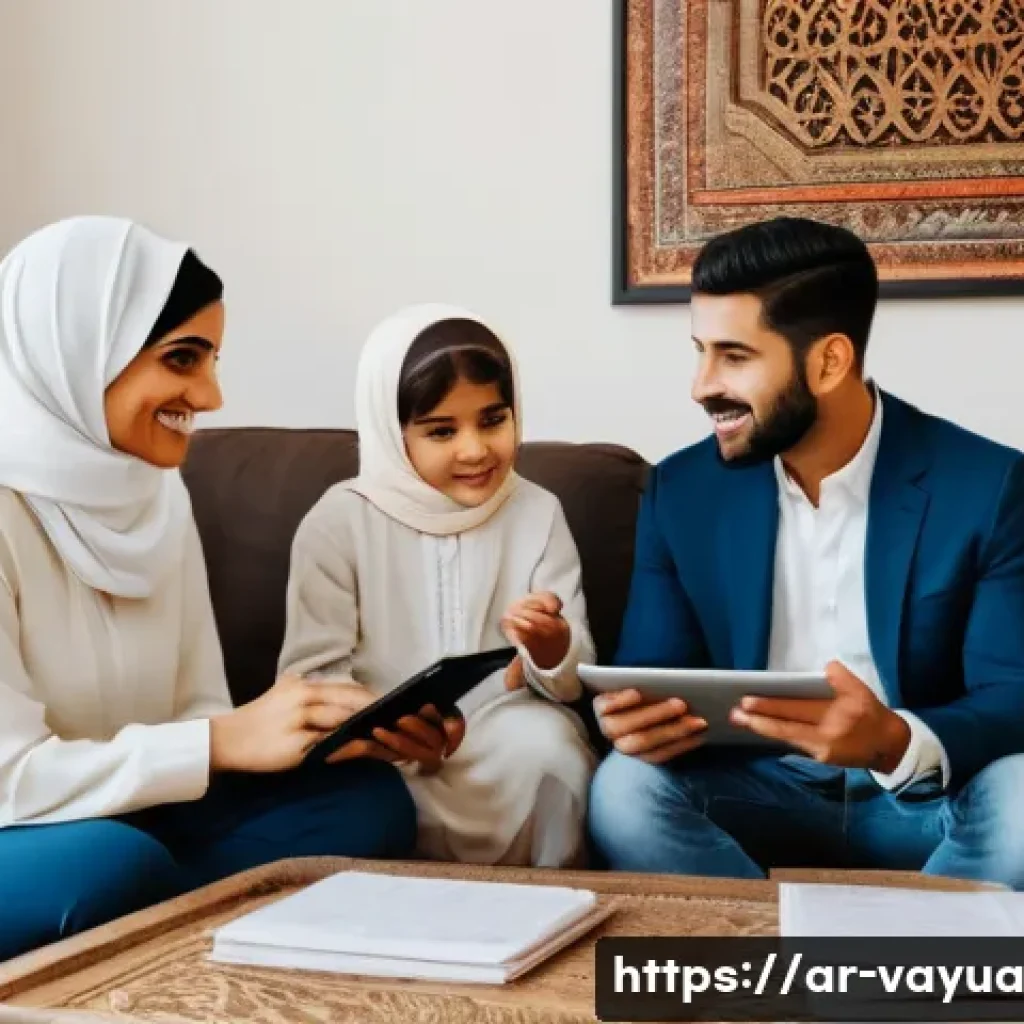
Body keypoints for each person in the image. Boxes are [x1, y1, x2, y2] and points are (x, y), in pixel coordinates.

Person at [0, 217, 447, 963]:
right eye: (182, 359)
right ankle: (173, 915)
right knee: (110, 866)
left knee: (364, 802)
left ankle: (151, 927)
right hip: (27, 832)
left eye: (211, 359)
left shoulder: (154, 493)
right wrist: (219, 741)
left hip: (131, 817)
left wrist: (315, 739)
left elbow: (195, 717)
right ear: (78, 351)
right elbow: (10, 779)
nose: (209, 395)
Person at [587, 216, 1024, 887]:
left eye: (734, 356)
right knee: (624, 789)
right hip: (757, 789)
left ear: (828, 362)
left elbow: (1011, 695)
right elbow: (655, 669)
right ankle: (773, 970)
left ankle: (907, 967)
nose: (701, 385)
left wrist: (891, 739)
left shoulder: (988, 485)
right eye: (700, 350)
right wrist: (640, 722)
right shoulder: (681, 491)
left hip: (925, 796)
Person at [278, 304, 597, 867]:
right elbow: (311, 679)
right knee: (359, 795)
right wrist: (383, 729)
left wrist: (551, 649)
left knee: (550, 749)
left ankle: (553, 912)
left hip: (506, 733)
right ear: (392, 432)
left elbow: (573, 681)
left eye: (493, 421)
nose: (474, 450)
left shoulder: (537, 511)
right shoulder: (338, 522)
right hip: (382, 747)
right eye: (442, 431)